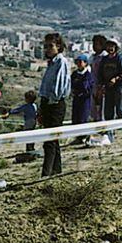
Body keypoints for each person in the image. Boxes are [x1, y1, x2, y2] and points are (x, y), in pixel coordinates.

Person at [38, 33, 71, 178]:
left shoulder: (61, 62)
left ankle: (46, 173)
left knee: (50, 140)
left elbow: (58, 85)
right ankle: (56, 169)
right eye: (45, 46)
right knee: (52, 139)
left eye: (50, 46)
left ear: (58, 46)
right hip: (48, 103)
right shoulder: (52, 63)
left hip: (55, 104)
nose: (47, 49)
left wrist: (51, 102)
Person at [98, 39, 122, 141]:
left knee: (120, 110)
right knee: (108, 111)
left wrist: (116, 79)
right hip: (108, 88)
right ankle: (109, 133)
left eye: (112, 46)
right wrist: (102, 85)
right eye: (108, 46)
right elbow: (100, 74)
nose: (110, 48)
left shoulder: (119, 59)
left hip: (119, 88)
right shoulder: (104, 60)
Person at [71, 54, 94, 125]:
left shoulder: (88, 75)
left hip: (85, 100)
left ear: (85, 63)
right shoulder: (74, 74)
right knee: (75, 117)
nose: (79, 64)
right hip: (76, 98)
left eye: (80, 62)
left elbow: (89, 87)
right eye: (77, 62)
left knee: (83, 118)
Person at [90, 35, 107, 122]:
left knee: (102, 108)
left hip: (101, 87)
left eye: (96, 44)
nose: (94, 46)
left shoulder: (104, 58)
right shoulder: (94, 57)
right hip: (94, 86)